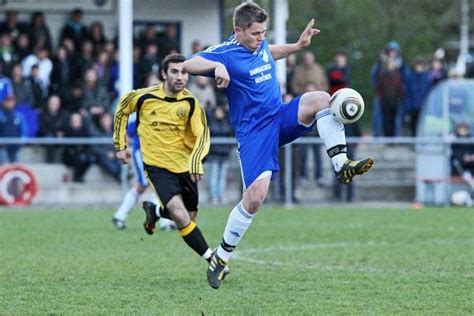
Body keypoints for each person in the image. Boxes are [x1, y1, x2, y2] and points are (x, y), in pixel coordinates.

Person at [183, 1, 373, 289]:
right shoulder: (226, 53)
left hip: (279, 116)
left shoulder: (259, 45)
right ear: (239, 30)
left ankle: (341, 165)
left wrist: (297, 46)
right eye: (256, 33)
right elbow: (188, 63)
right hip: (254, 134)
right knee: (255, 199)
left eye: (264, 32)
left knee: (321, 99)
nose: (262, 38)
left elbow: (269, 52)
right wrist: (217, 65)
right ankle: (220, 258)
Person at [113, 54, 224, 271]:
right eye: (175, 71)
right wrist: (120, 145)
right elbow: (122, 108)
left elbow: (202, 135)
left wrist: (195, 161)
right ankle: (214, 261)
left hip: (184, 166)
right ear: (164, 74)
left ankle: (154, 212)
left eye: (184, 72)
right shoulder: (144, 97)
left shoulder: (191, 103)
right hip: (157, 166)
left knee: (190, 217)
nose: (180, 77)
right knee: (180, 215)